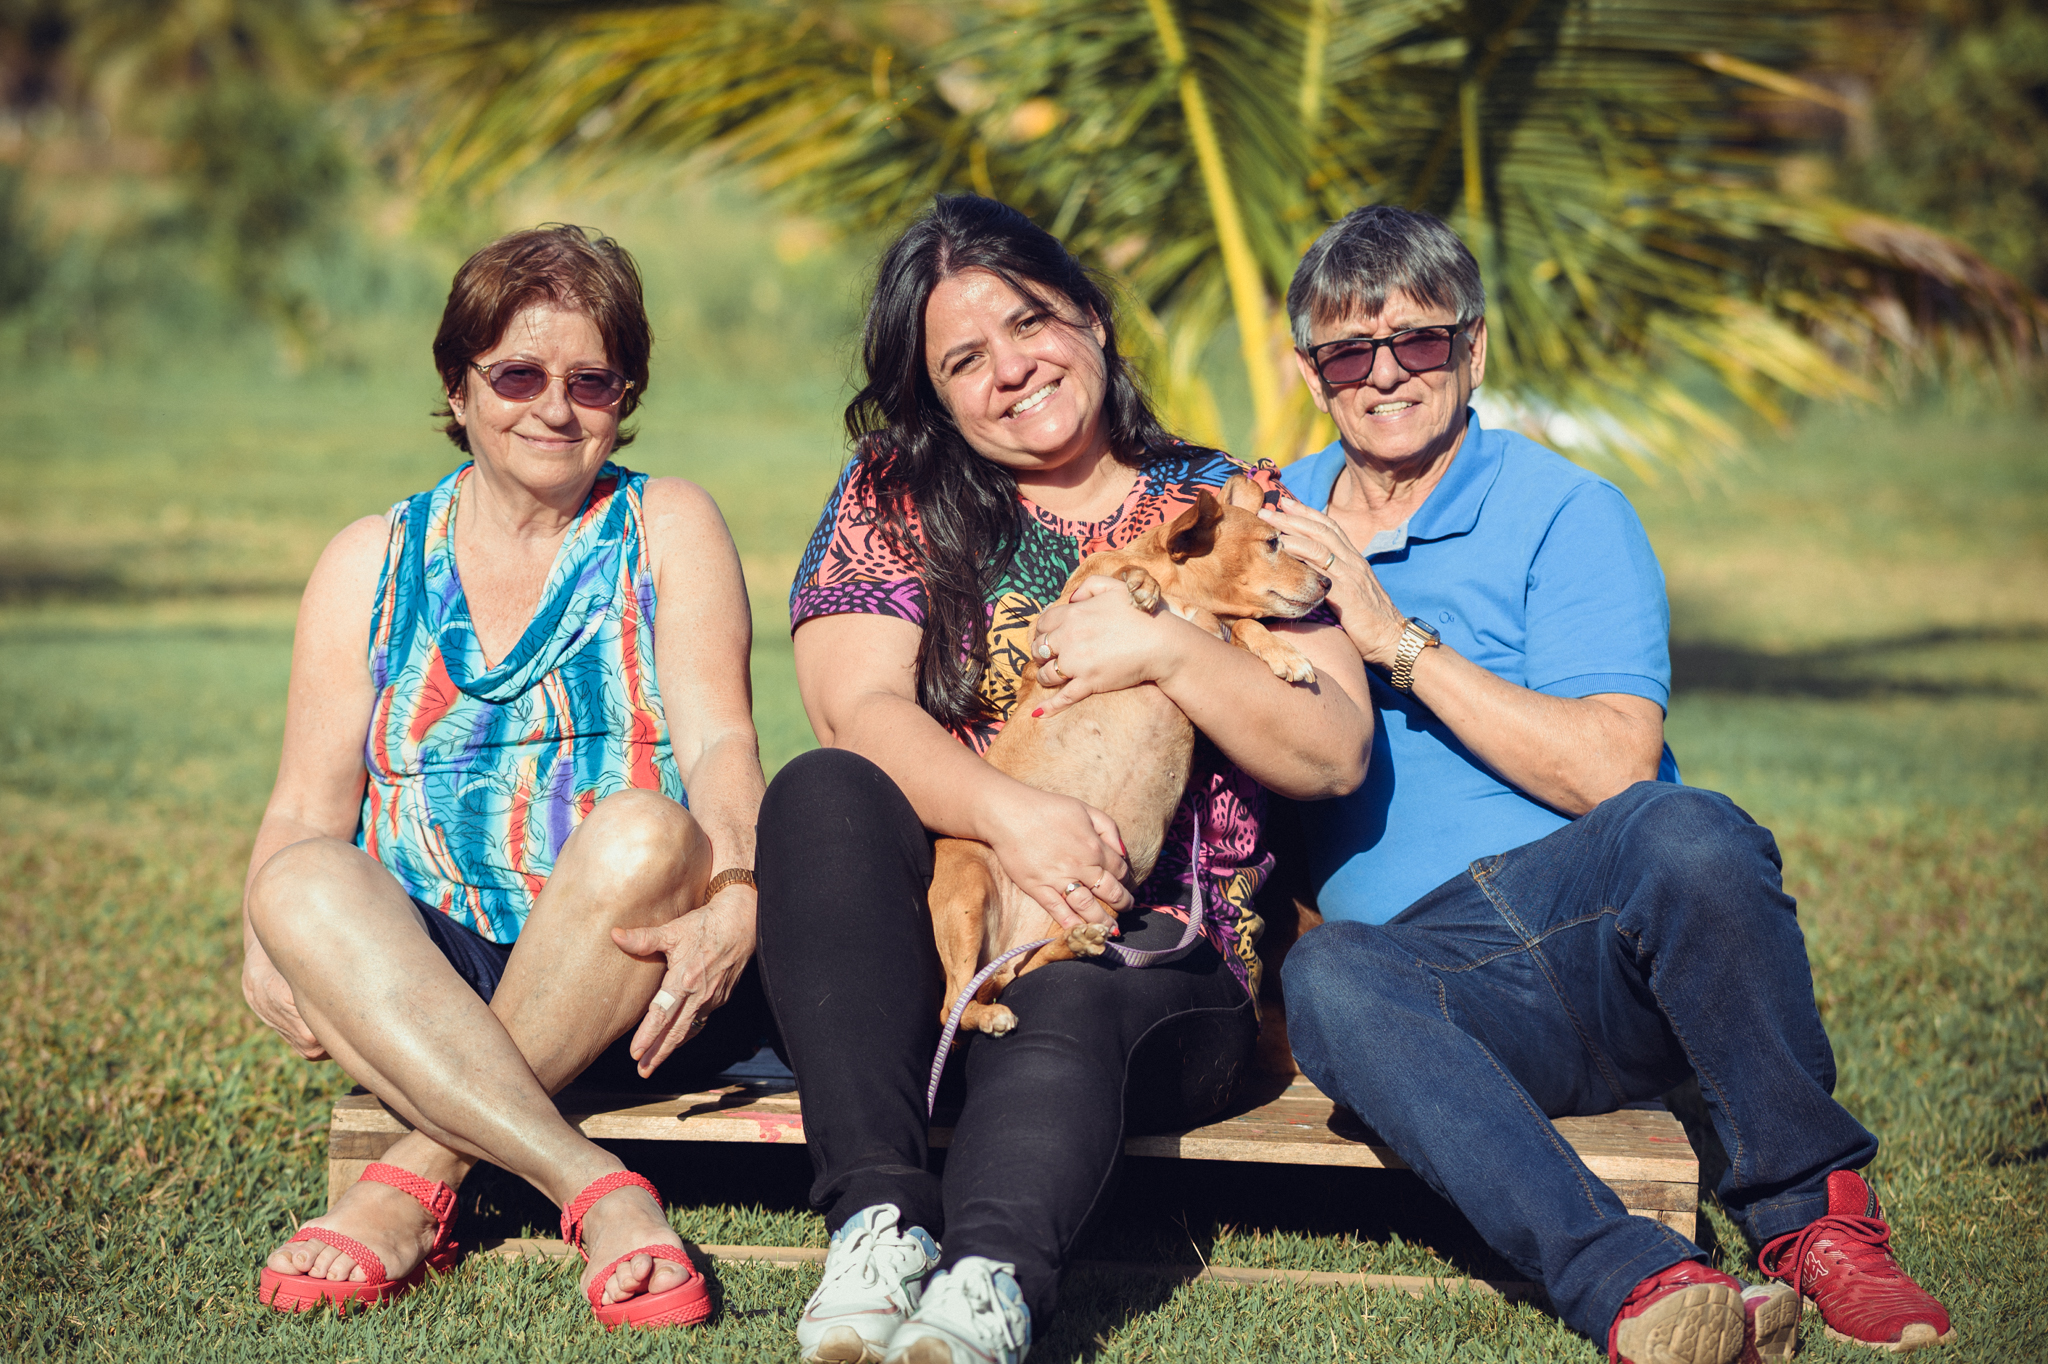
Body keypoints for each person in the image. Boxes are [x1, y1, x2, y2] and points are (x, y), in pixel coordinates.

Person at [1261, 206, 1956, 1360]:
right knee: (1327, 975)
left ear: (1472, 347)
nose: (1384, 374)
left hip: (1598, 936)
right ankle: (1639, 1284)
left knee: (1683, 828)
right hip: (1429, 988)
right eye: (1347, 352)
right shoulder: (1270, 521)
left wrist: (1394, 641)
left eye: (1417, 340)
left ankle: (1813, 1221)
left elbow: (1612, 766)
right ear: (1310, 372)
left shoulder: (1565, 510)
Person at [755, 195, 1371, 1364]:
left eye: (1029, 321)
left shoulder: (1225, 496)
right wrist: (1013, 816)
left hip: (1160, 963)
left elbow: (1334, 746)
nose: (1009, 369)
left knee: (1077, 988)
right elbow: (854, 710)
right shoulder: (895, 495)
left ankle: (984, 1284)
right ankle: (877, 1224)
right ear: (935, 395)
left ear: (1090, 316)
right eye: (962, 361)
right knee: (818, 788)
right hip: (954, 932)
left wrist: (1165, 648)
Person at [240, 225, 769, 1329]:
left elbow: (722, 743)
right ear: (459, 384)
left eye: (592, 381)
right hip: (428, 974)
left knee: (644, 828)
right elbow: (302, 804)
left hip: (622, 961)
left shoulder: (666, 524)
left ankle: (413, 1179)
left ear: (625, 394)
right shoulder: (369, 559)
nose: (554, 409)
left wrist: (736, 891)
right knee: (293, 879)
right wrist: (264, 935)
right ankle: (597, 1186)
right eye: (518, 375)